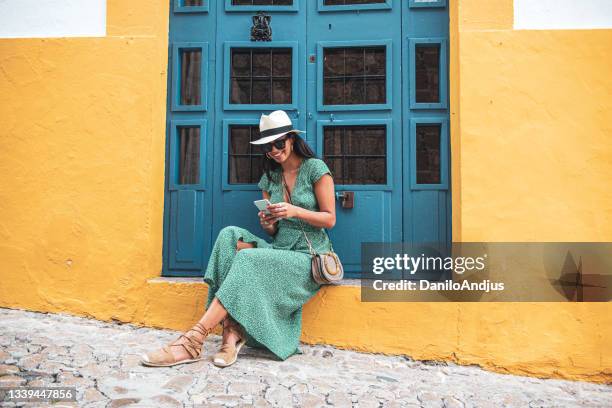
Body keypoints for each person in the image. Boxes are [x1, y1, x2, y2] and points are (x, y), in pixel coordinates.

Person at [141, 110, 336, 367]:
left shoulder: (315, 168)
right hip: (279, 247)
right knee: (228, 237)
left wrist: (294, 210)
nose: (275, 150)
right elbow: (274, 233)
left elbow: (330, 219)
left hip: (307, 256)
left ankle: (194, 339)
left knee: (249, 259)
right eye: (268, 146)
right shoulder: (270, 178)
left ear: (291, 138)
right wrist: (268, 224)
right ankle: (230, 334)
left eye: (279, 143)